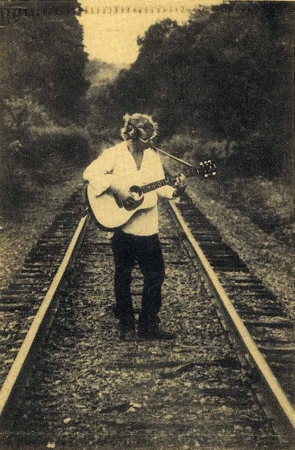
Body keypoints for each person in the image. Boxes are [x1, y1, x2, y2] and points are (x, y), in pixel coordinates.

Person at [83, 113, 187, 340]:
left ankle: (148, 326)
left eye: (146, 138)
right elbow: (89, 173)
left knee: (155, 275)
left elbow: (161, 188)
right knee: (123, 275)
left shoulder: (152, 157)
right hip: (122, 226)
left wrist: (177, 190)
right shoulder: (114, 154)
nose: (143, 142)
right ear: (129, 134)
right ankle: (126, 326)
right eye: (138, 136)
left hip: (148, 227)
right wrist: (116, 187)